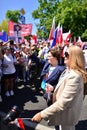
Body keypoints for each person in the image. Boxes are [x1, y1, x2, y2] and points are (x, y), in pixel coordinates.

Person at [31, 45, 87, 130]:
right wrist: (53, 89)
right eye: (64, 53)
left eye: (67, 54)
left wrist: (41, 114)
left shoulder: (74, 76)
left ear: (74, 57)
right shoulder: (67, 71)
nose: (64, 56)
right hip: (62, 114)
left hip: (67, 116)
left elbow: (63, 103)